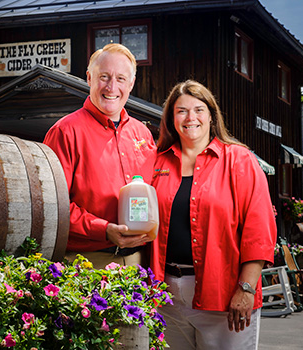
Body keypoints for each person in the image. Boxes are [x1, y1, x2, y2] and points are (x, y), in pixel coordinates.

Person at [150, 80, 277, 349]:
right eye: (181, 111)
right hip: (166, 295)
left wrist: (246, 289)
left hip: (223, 292)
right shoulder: (157, 162)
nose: (190, 118)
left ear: (211, 115)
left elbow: (260, 231)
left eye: (198, 109)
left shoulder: (239, 160)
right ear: (172, 119)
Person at [43, 43, 156, 269]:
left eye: (121, 79)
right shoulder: (65, 132)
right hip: (87, 262)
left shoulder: (142, 134)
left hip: (139, 262)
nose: (112, 86)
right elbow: (54, 206)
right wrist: (103, 228)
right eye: (104, 76)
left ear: (131, 83)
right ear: (89, 78)